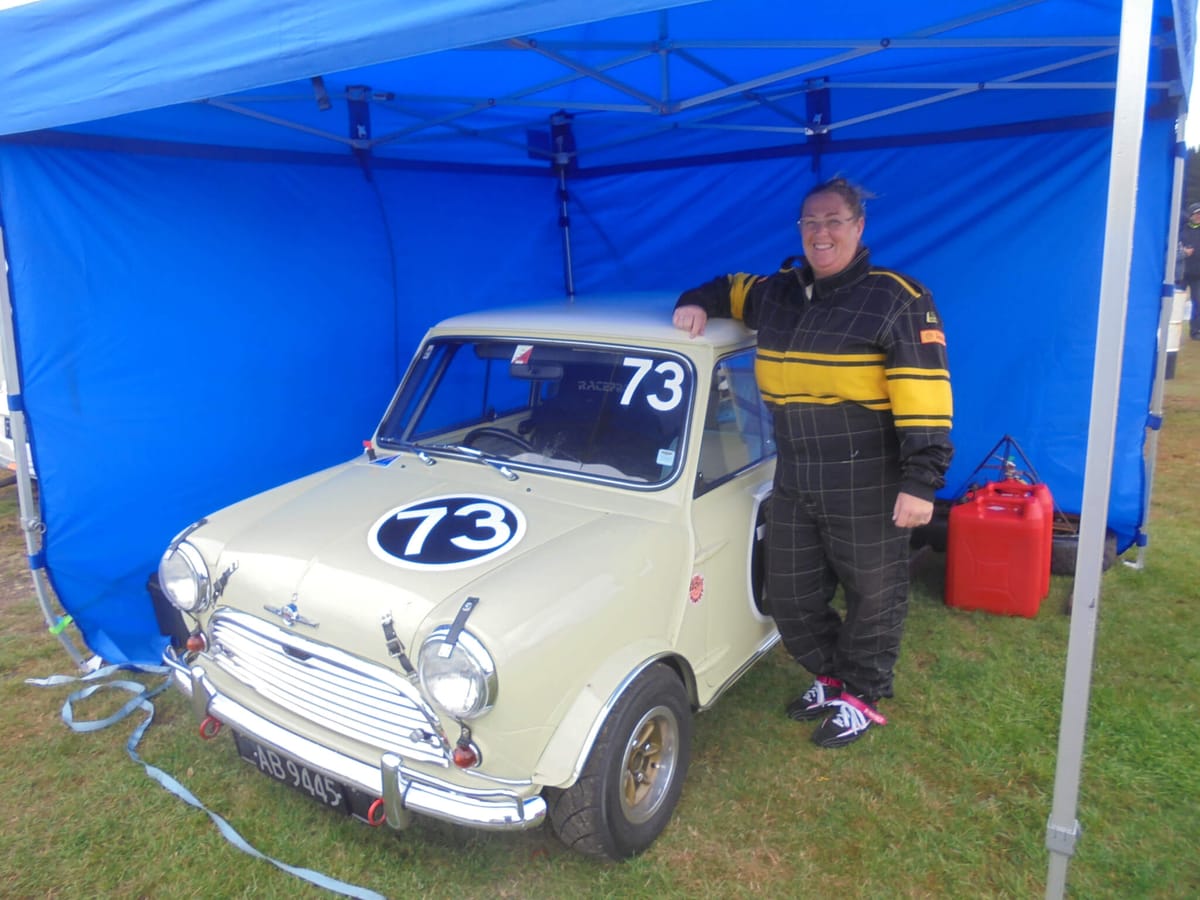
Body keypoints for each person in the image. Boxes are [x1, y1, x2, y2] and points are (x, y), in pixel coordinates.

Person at [672, 177, 953, 748]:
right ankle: (833, 676)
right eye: (810, 222)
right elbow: (725, 287)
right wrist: (692, 302)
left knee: (874, 593)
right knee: (790, 591)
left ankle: (863, 695)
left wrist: (921, 481)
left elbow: (924, 395)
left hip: (868, 474)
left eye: (833, 221)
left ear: (858, 227)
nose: (820, 233)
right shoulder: (776, 291)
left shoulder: (898, 297)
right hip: (796, 471)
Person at [1178, 202, 1200, 339]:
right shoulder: (1181, 230)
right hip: (1181, 273)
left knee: (1198, 302)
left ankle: (1196, 330)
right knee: (1175, 301)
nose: (1198, 216)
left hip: (1198, 274)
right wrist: (1183, 252)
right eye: (1197, 214)